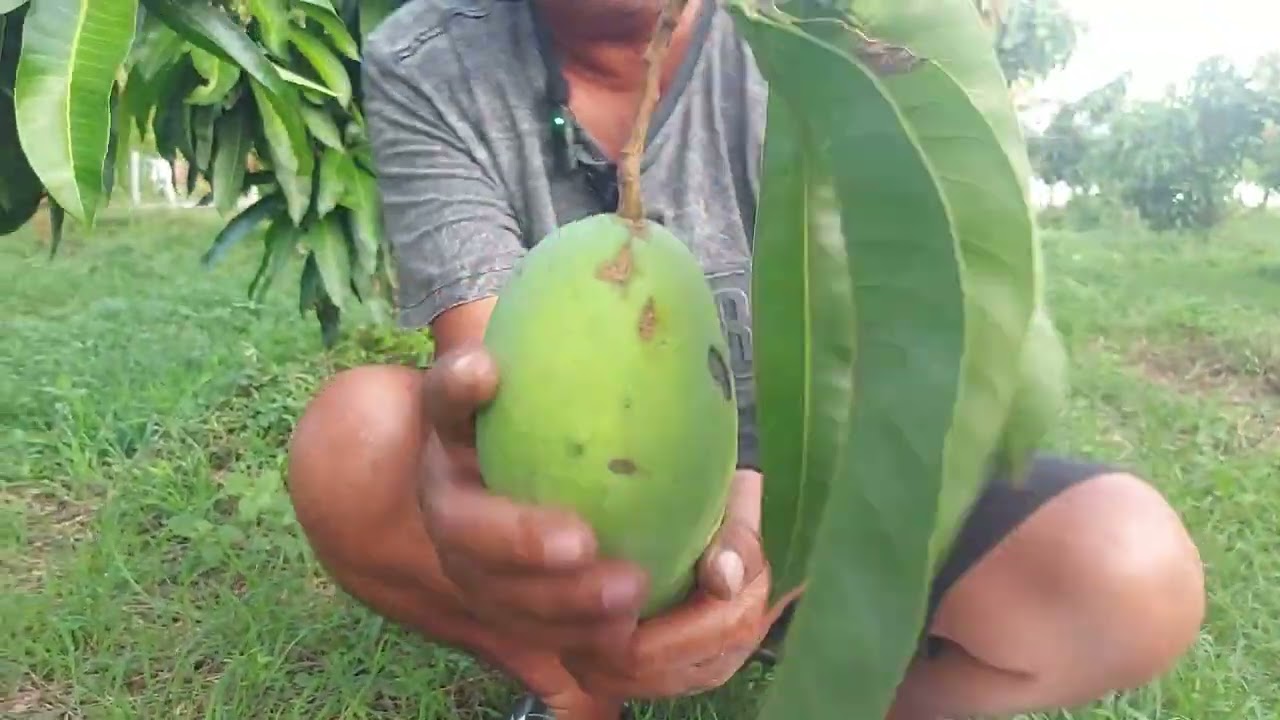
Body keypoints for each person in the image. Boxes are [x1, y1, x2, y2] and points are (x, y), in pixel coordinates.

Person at [284, 1, 1207, 719]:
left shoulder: (828, 37)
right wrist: (484, 502)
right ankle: (575, 682)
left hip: (830, 497)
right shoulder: (428, 57)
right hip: (596, 546)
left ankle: (854, 699)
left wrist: (770, 529)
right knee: (351, 439)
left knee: (1131, 567)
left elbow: (901, 354)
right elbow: (486, 378)